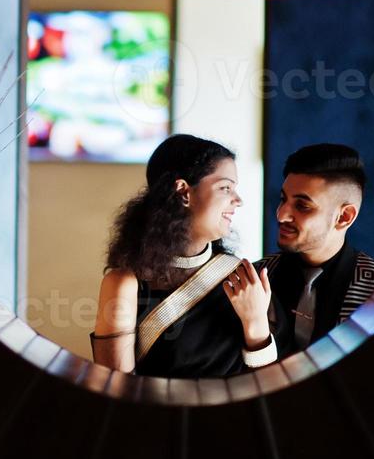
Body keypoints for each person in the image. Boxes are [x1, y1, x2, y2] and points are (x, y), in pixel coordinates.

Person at [90, 134, 278, 378]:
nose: (238, 200)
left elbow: (271, 385)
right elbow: (118, 393)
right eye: (225, 188)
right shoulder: (125, 284)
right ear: (183, 192)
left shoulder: (241, 279)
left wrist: (255, 323)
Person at [258, 143, 374, 357]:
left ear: (344, 217)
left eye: (302, 206)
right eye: (283, 199)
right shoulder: (257, 276)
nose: (281, 215)